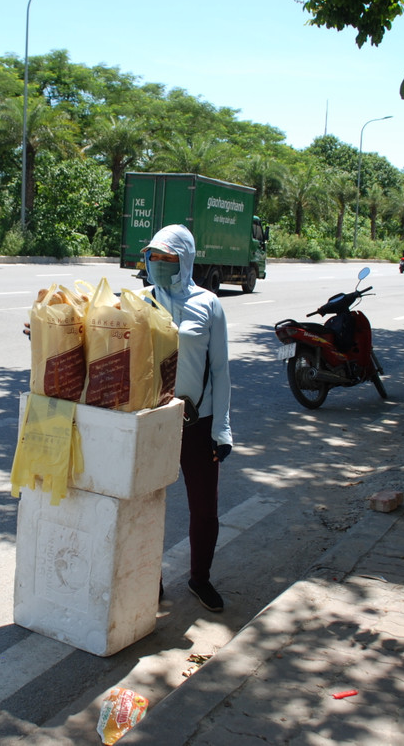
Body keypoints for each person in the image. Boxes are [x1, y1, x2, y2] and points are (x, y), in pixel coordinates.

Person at [142, 224, 232, 613]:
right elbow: (95, 330)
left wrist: (222, 430)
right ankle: (150, 581)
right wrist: (46, 329)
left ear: (186, 260)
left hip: (197, 422)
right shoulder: (137, 300)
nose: (159, 264)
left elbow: (222, 371)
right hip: (152, 420)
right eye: (154, 257)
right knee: (145, 504)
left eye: (168, 258)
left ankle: (200, 577)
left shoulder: (209, 304)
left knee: (204, 508)